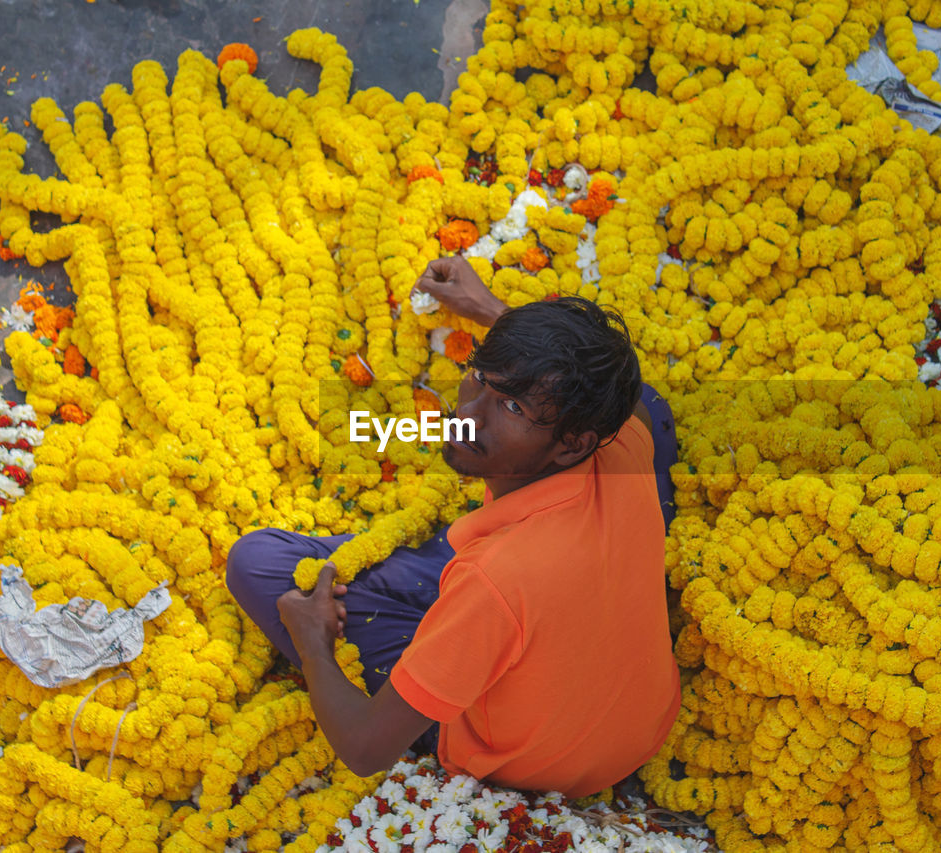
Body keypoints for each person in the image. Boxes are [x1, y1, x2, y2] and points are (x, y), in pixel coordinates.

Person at [225, 256, 681, 798]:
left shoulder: (495, 582)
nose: (467, 414)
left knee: (256, 563)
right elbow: (623, 393)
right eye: (479, 379)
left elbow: (366, 749)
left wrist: (314, 642)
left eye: (511, 404)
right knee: (648, 399)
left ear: (574, 445)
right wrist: (493, 314)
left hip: (530, 764)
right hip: (637, 723)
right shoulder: (623, 441)